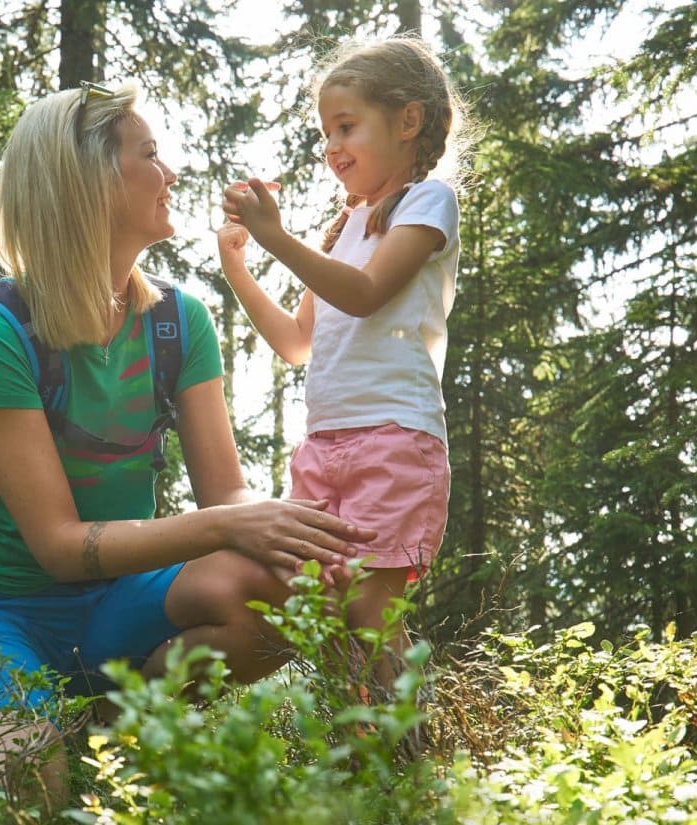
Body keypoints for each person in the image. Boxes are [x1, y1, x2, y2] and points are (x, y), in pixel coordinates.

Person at [0, 80, 376, 813]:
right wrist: (233, 523)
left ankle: (108, 721)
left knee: (293, 588)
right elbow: (61, 546)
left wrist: (278, 526)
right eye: (150, 155)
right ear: (89, 180)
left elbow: (225, 495)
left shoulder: (177, 322)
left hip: (118, 603)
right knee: (26, 788)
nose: (170, 174)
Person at [218, 36, 469, 692]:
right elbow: (297, 342)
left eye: (347, 127)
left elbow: (364, 293)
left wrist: (275, 236)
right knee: (319, 604)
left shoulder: (427, 202)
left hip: (394, 435)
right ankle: (362, 760)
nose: (333, 146)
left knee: (368, 606)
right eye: (327, 131)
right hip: (326, 445)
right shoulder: (345, 224)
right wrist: (239, 267)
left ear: (407, 121)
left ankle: (405, 766)